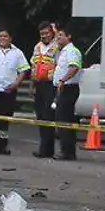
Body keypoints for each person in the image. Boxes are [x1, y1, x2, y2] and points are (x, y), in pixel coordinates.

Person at [49, 30, 84, 160]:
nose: (58, 38)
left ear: (69, 36)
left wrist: (63, 80)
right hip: (63, 88)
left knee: (64, 120)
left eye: (61, 35)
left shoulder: (72, 51)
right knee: (63, 120)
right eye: (57, 35)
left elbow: (74, 67)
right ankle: (67, 150)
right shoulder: (63, 51)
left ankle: (67, 152)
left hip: (68, 88)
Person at [32, 22, 61, 158]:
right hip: (39, 84)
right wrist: (32, 85)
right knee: (40, 116)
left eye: (47, 33)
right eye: (42, 33)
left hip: (51, 85)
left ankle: (46, 149)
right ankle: (43, 147)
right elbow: (34, 66)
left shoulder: (57, 47)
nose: (44, 36)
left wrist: (56, 31)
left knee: (48, 116)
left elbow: (61, 40)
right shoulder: (37, 47)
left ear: (52, 33)